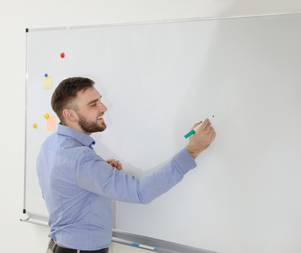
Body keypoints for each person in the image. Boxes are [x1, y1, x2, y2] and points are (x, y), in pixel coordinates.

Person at [37, 77, 216, 253]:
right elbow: (140, 192)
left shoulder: (50, 144)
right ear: (70, 114)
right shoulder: (81, 160)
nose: (104, 108)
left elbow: (63, 188)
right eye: (93, 104)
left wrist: (97, 172)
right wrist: (192, 151)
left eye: (100, 100)